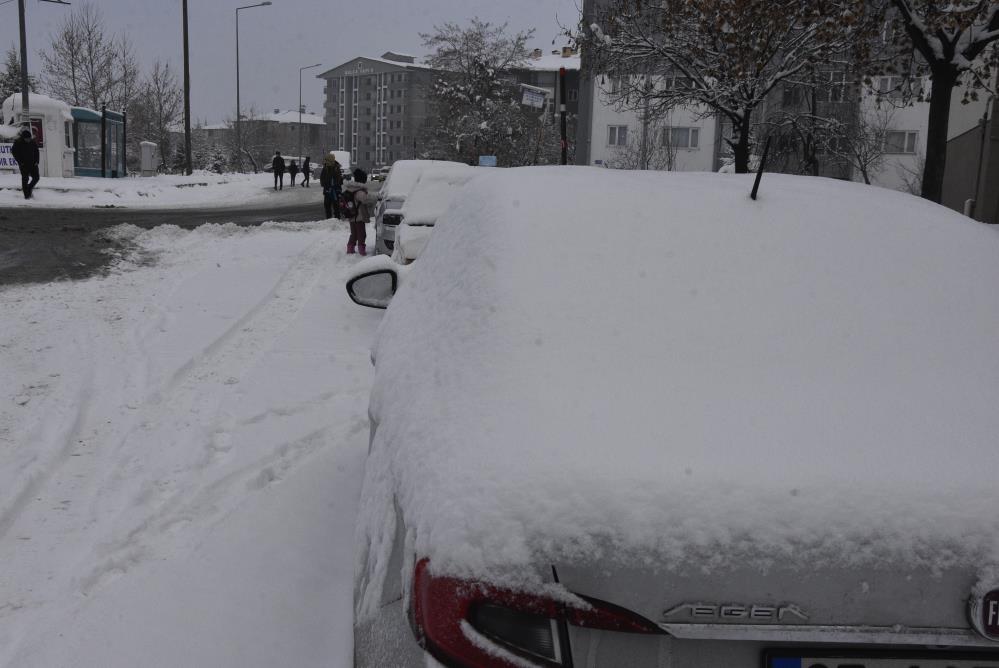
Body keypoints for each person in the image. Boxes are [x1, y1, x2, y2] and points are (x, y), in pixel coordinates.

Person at [344, 168, 371, 255]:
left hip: (352, 216)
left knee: (354, 234)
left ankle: (350, 248)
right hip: (359, 217)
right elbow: (366, 199)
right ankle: (361, 250)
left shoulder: (351, 188)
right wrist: (378, 196)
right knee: (361, 234)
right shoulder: (359, 191)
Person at [11, 128, 40, 200]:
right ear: (23, 138)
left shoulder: (32, 142)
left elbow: (37, 151)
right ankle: (26, 196)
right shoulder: (18, 142)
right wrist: (20, 162)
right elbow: (14, 153)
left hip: (33, 163)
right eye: (27, 139)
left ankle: (29, 188)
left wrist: (37, 161)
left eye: (29, 138)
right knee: (25, 179)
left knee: (36, 177)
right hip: (24, 164)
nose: (28, 140)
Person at [319, 152, 343, 219]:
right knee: (327, 206)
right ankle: (328, 221)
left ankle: (337, 220)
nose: (325, 161)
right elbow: (322, 179)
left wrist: (336, 186)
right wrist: (326, 185)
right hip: (327, 191)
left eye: (327, 160)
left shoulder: (336, 168)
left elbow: (340, 180)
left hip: (335, 191)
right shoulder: (325, 168)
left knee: (336, 207)